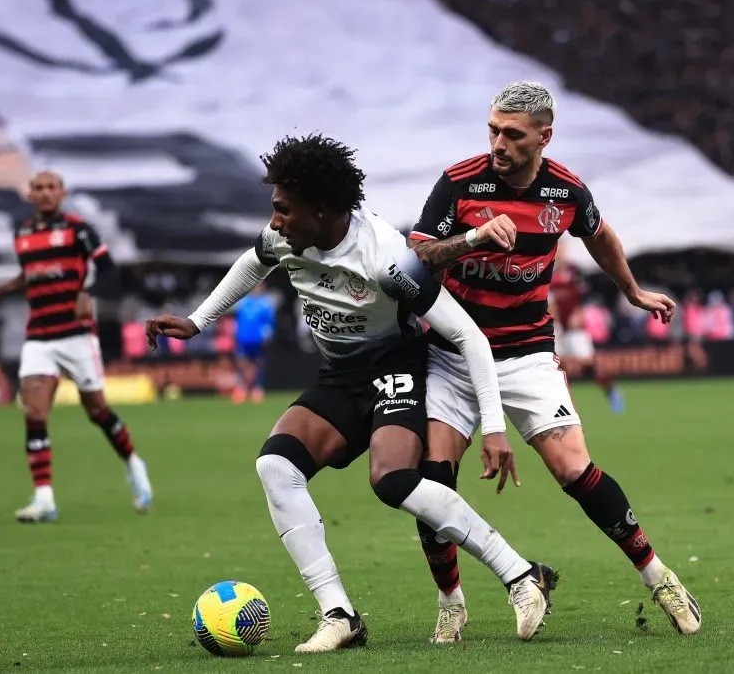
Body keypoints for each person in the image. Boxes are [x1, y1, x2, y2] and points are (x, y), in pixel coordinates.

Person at [146, 134, 558, 653]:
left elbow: (468, 336)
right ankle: (339, 615)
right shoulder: (288, 236)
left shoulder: (388, 259)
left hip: (395, 367)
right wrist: (197, 321)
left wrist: (495, 427)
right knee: (276, 466)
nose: (274, 222)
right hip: (340, 375)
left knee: (391, 480)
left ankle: (521, 576)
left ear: (322, 211)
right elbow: (253, 261)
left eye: (283, 210)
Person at [407, 81, 700, 641]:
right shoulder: (460, 181)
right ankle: (451, 601)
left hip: (527, 352)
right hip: (452, 356)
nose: (498, 142)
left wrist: (632, 291)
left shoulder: (565, 191)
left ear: (544, 136)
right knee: (433, 482)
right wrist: (471, 240)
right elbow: (418, 251)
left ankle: (658, 576)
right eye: (493, 129)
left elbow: (600, 235)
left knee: (574, 470)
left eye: (512, 134)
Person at [0, 171, 152, 522]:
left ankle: (133, 462)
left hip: (76, 334)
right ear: (30, 194)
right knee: (34, 412)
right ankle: (44, 499)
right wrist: (0, 290)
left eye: (50, 188)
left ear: (61, 193)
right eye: (38, 188)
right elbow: (30, 275)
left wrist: (88, 293)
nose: (44, 193)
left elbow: (108, 271)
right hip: (39, 335)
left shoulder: (78, 230)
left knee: (97, 411)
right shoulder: (23, 233)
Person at [549, 244, 623, 412]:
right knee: (558, 367)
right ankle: (564, 406)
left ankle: (611, 390)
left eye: (561, 248)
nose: (559, 251)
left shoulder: (575, 271)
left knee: (587, 364)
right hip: (555, 326)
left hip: (575, 327)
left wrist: (580, 312)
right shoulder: (545, 270)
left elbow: (587, 296)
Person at [231, 283, 276, 403]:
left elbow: (269, 323)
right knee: (241, 363)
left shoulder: (266, 303)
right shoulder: (244, 302)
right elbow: (237, 319)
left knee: (259, 363)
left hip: (257, 339)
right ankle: (242, 388)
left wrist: (267, 335)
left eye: (259, 286)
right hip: (243, 338)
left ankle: (257, 388)